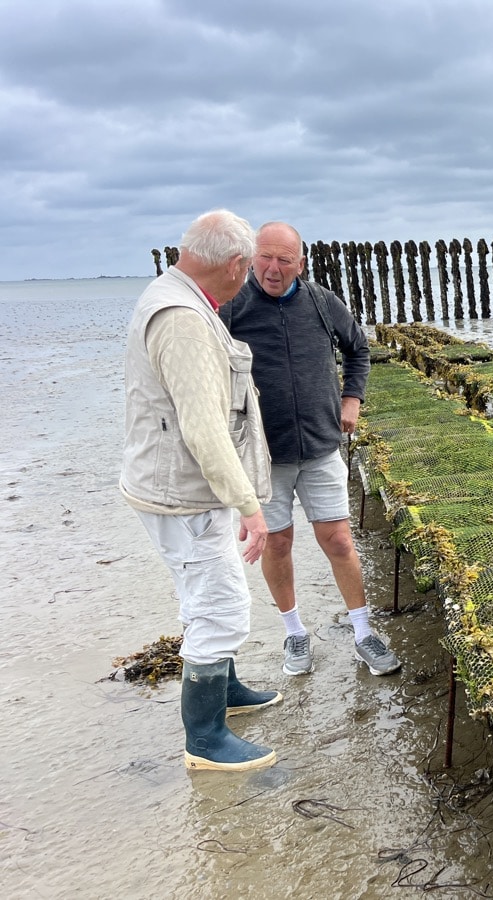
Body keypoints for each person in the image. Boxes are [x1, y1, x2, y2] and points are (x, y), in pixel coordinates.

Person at [121, 209, 280, 772]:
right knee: (219, 604)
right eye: (250, 267)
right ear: (237, 264)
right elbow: (204, 428)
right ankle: (205, 739)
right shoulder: (184, 319)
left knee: (210, 588)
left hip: (179, 488)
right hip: (185, 494)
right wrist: (249, 506)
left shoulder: (172, 294)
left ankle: (227, 692)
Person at [220, 222, 401, 677]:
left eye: (284, 259)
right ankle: (294, 632)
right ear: (248, 257)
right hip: (265, 454)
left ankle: (363, 632)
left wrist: (352, 399)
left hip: (321, 446)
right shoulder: (231, 308)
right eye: (264, 256)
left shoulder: (322, 303)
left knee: (338, 539)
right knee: (278, 542)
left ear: (301, 263)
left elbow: (358, 349)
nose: (273, 268)